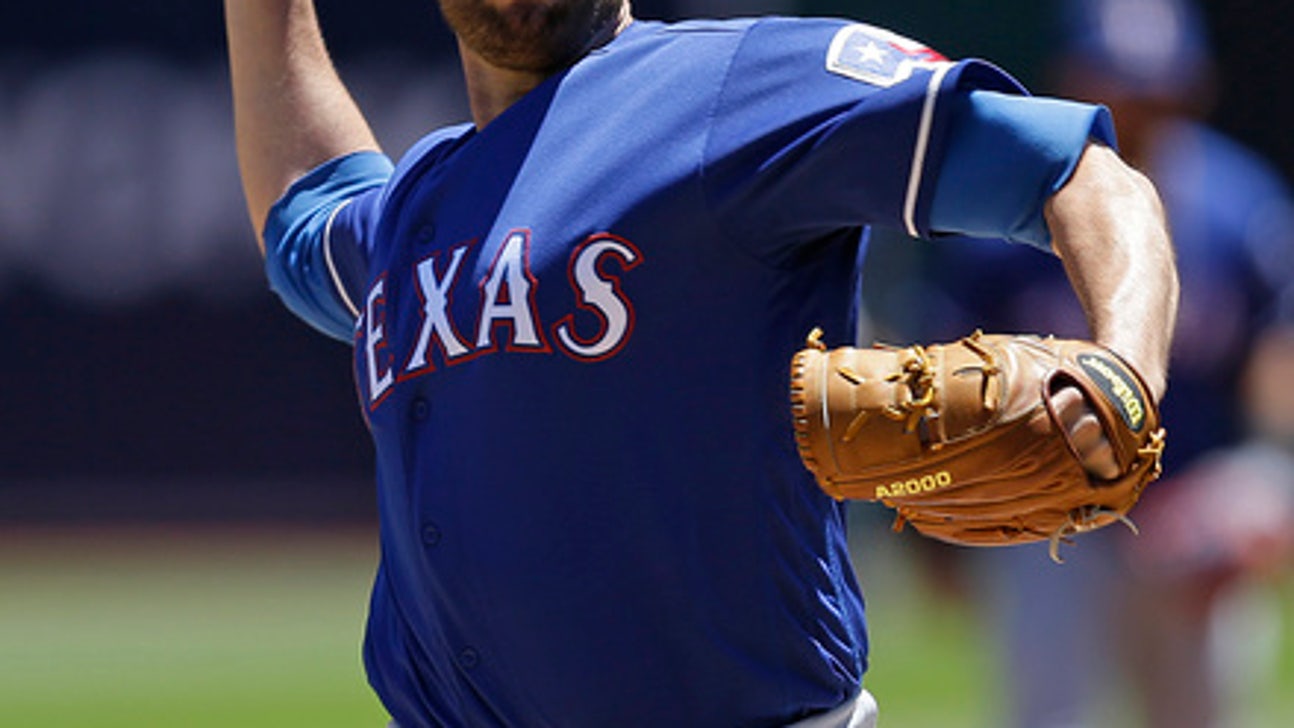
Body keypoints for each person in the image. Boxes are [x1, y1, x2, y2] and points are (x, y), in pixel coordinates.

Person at [221, 2, 1177, 725]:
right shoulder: (417, 208)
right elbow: (304, 217)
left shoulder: (741, 85)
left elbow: (1078, 173)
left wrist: (1128, 369)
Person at [863, 1, 1294, 726]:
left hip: (1190, 518)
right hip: (1049, 519)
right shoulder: (1009, 216)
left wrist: (1262, 487)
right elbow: (939, 371)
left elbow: (1276, 367)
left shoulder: (1240, 207)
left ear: (1195, 87)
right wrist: (934, 524)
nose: (1143, 104)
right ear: (1074, 82)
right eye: (1122, 84)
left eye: (1160, 86)